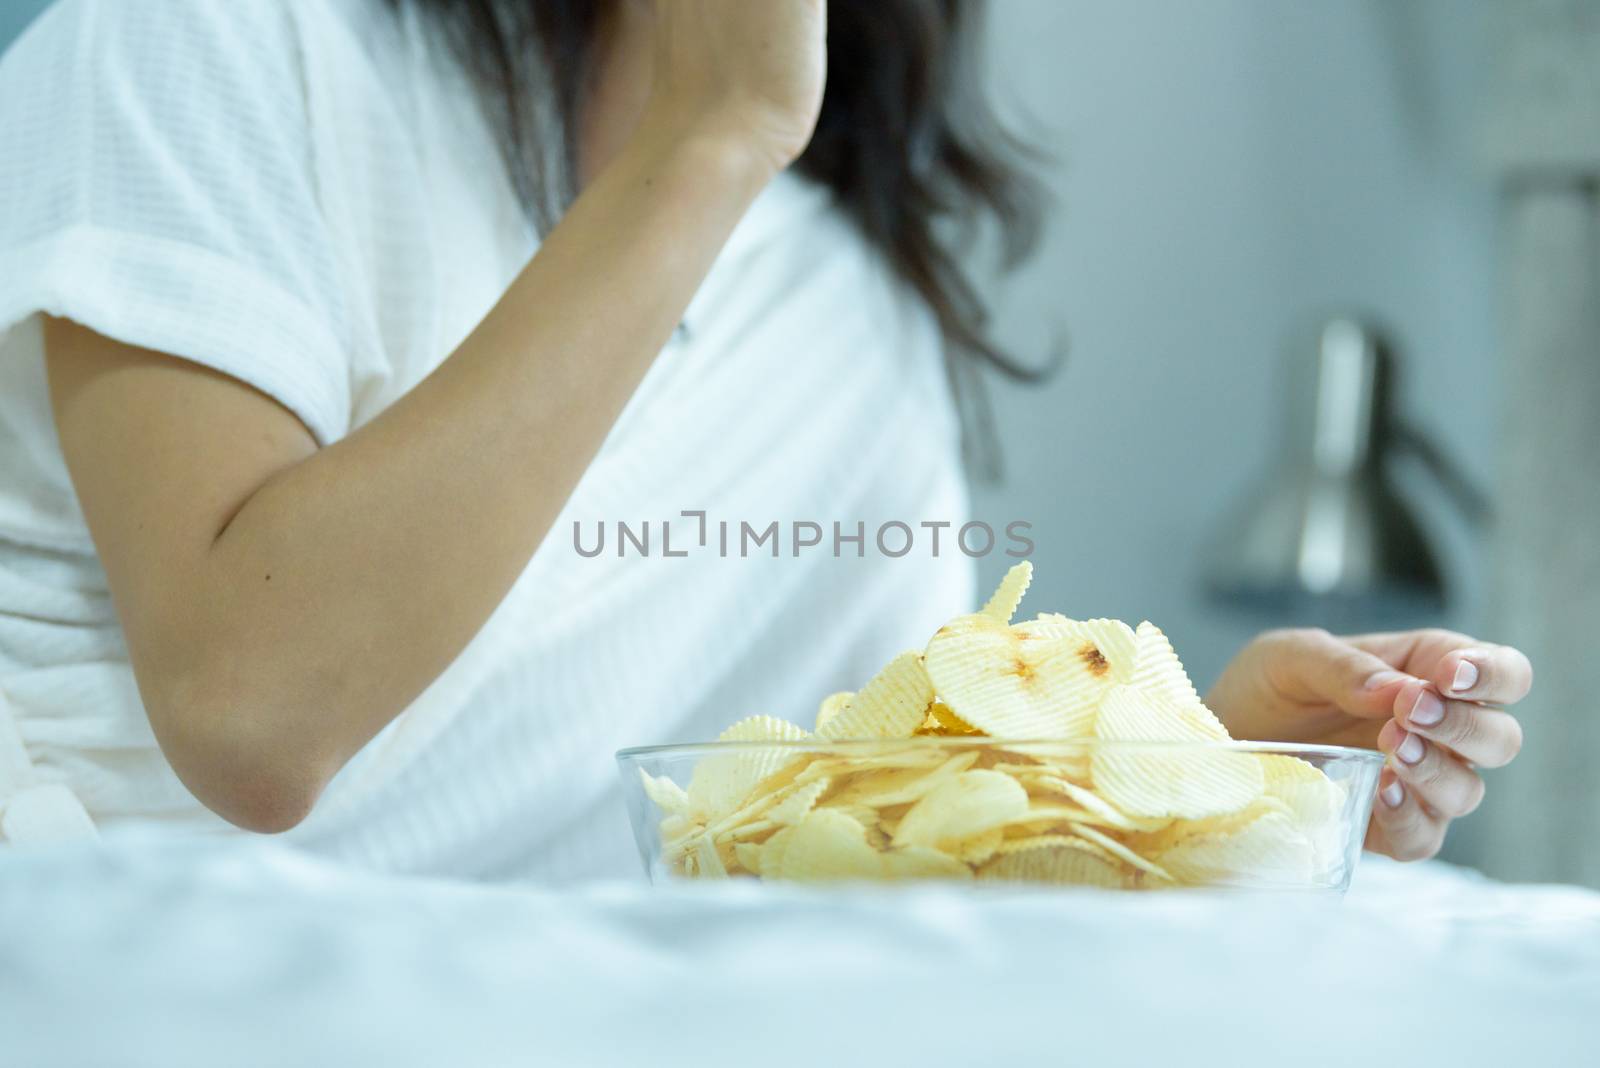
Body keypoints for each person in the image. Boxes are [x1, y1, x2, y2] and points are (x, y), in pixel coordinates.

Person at [0, 0, 1528, 879]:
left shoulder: (840, 293)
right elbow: (251, 718)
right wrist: (707, 135)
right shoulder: (204, 40)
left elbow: (870, 816)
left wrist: (1197, 776)